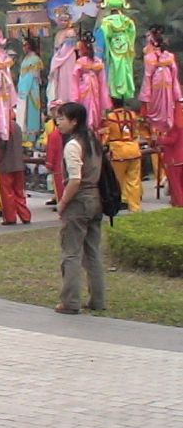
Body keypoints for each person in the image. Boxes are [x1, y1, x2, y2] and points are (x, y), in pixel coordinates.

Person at [55, 101, 105, 314]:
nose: (57, 122)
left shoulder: (73, 145)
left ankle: (70, 302)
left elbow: (74, 179)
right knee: (92, 252)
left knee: (71, 253)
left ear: (74, 121)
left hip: (79, 201)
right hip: (96, 199)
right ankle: (98, 299)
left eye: (61, 118)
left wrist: (63, 202)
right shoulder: (93, 140)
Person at [100, 98, 143, 212]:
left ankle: (118, 203)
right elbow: (136, 130)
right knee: (134, 180)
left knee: (117, 180)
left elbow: (105, 135)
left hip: (118, 151)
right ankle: (135, 206)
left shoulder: (110, 118)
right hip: (134, 149)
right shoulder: (132, 115)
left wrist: (101, 144)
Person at [0, 115, 31, 225]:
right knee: (19, 192)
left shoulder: (3, 127)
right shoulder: (17, 126)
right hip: (18, 163)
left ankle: (10, 218)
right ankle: (25, 216)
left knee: (7, 193)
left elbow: (0, 143)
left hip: (6, 164)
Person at [98, 0, 137, 100]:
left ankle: (114, 92)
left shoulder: (106, 22)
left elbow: (105, 36)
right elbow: (132, 33)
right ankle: (125, 91)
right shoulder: (127, 21)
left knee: (113, 70)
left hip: (112, 47)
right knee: (125, 68)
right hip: (125, 47)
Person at [72, 31, 112, 131]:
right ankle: (91, 128)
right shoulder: (96, 61)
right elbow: (103, 82)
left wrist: (74, 98)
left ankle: (90, 128)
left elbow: (74, 80)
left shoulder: (81, 62)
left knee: (90, 109)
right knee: (90, 109)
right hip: (92, 88)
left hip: (88, 87)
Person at [16, 36, 45, 145]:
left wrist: (24, 89)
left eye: (25, 45)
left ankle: (32, 136)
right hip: (23, 87)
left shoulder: (35, 59)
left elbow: (32, 75)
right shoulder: (26, 58)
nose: (24, 47)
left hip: (31, 88)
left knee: (31, 111)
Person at [44, 102, 66, 205]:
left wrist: (49, 164)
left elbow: (51, 149)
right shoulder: (49, 125)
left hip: (59, 164)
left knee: (61, 186)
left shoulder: (55, 135)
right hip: (61, 162)